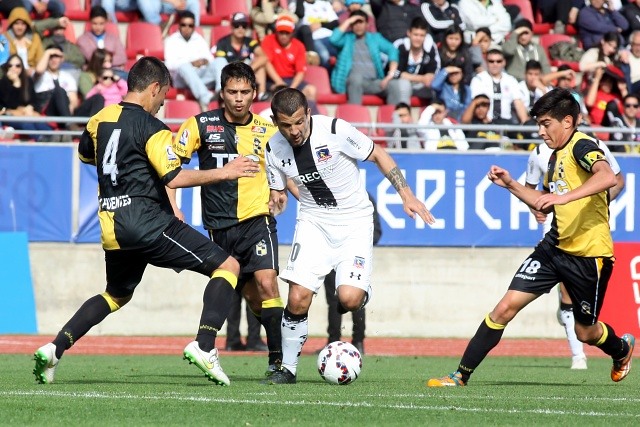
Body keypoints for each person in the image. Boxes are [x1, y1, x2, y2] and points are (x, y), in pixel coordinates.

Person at [32, 56, 261, 386]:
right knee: (228, 266)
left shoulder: (99, 119)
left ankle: (54, 348)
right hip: (147, 223)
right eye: (164, 95)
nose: (163, 103)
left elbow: (85, 153)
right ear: (154, 88)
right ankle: (205, 345)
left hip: (112, 226)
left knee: (116, 294)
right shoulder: (153, 127)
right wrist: (226, 172)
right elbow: (175, 177)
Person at [427, 88, 635, 387]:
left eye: (546, 123)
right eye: (538, 124)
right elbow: (541, 200)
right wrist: (510, 184)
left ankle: (621, 349)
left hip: (590, 257)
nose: (541, 131)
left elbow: (608, 177)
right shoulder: (554, 156)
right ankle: (460, 376)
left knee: (585, 333)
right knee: (504, 308)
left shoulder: (582, 145)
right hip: (554, 248)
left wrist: (565, 198)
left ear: (567, 121)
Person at [264, 87, 435, 384]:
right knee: (297, 296)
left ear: (307, 113)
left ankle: (360, 288)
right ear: (276, 122)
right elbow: (281, 188)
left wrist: (406, 195)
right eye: (286, 125)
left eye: (298, 122)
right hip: (314, 221)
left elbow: (378, 154)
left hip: (354, 220)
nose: (294, 131)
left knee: (349, 298)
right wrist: (277, 199)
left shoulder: (335, 129)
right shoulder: (272, 148)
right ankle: (287, 369)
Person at [171, 61, 284, 377]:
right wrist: (174, 209)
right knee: (253, 299)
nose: (238, 98)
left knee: (267, 282)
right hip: (219, 227)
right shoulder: (199, 125)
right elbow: (171, 171)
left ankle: (279, 361)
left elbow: (283, 166)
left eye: (245, 92)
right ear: (221, 93)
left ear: (254, 93)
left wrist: (280, 190)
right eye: (232, 92)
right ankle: (281, 340)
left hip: (257, 220)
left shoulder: (267, 131)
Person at [525, 126, 625, 370]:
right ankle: (578, 355)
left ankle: (579, 343)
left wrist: (592, 205)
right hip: (554, 229)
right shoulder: (538, 152)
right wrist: (535, 208)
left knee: (573, 303)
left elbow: (616, 180)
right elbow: (531, 188)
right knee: (562, 292)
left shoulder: (591, 146)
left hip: (585, 231)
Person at [321, 192, 381, 355]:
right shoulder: (327, 195)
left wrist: (360, 247)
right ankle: (333, 342)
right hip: (332, 255)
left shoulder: (365, 197)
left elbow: (376, 231)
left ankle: (358, 341)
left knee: (356, 298)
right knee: (334, 300)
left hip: (354, 256)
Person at [329, 10, 410, 106]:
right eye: (355, 23)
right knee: (356, 78)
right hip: (352, 82)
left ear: (367, 24)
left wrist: (390, 74)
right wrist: (349, 21)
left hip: (373, 82)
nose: (358, 26)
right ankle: (355, 115)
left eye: (361, 22)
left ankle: (391, 119)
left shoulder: (375, 38)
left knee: (394, 85)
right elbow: (333, 39)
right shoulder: (347, 38)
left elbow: (393, 50)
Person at [164, 10, 216, 111]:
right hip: (180, 79)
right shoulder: (171, 40)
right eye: (184, 25)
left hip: (199, 75)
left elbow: (210, 59)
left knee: (220, 61)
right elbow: (169, 64)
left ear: (194, 26)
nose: (187, 28)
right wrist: (191, 63)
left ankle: (221, 91)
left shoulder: (199, 38)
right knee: (184, 66)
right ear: (179, 25)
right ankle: (207, 98)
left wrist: (203, 61)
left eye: (190, 25)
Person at [212, 12, 269, 102]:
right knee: (220, 61)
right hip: (228, 72)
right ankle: (220, 91)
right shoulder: (222, 42)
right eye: (237, 25)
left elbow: (264, 57)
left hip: (245, 71)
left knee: (261, 65)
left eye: (244, 25)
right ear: (231, 27)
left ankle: (262, 95)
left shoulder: (250, 41)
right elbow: (221, 63)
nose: (240, 28)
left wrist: (247, 69)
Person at [261, 15, 318, 105]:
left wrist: (291, 88)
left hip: (291, 80)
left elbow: (301, 71)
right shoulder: (268, 40)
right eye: (281, 32)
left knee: (311, 90)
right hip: (271, 80)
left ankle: (311, 117)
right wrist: (279, 82)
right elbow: (266, 62)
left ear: (292, 33)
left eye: (287, 33)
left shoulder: (299, 45)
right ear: (276, 32)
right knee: (275, 92)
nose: (284, 36)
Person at [470, 48, 529, 126]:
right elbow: (476, 104)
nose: (495, 64)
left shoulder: (511, 80)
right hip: (485, 124)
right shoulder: (478, 79)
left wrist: (525, 124)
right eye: (491, 61)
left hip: (507, 124)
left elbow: (518, 104)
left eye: (498, 61)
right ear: (486, 62)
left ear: (503, 62)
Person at [395, 16, 440, 104]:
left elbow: (432, 74)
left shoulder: (430, 47)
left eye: (422, 35)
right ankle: (405, 115)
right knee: (405, 85)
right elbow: (396, 73)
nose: (418, 38)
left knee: (436, 87)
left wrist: (423, 79)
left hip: (421, 86)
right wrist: (421, 78)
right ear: (409, 33)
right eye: (415, 35)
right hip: (399, 84)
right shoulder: (400, 46)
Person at [76, 6, 127, 74]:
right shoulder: (82, 40)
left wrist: (106, 62)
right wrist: (110, 59)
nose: (98, 27)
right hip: (93, 73)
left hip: (114, 72)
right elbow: (92, 58)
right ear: (90, 22)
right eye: (95, 23)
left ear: (106, 22)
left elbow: (122, 57)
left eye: (101, 23)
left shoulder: (114, 38)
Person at [4, 7, 44, 72]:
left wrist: (33, 69)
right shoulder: (3, 38)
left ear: (27, 25)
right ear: (11, 24)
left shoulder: (35, 38)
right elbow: (3, 61)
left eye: (23, 24)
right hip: (11, 73)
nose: (20, 27)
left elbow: (40, 59)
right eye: (16, 23)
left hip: (32, 75)